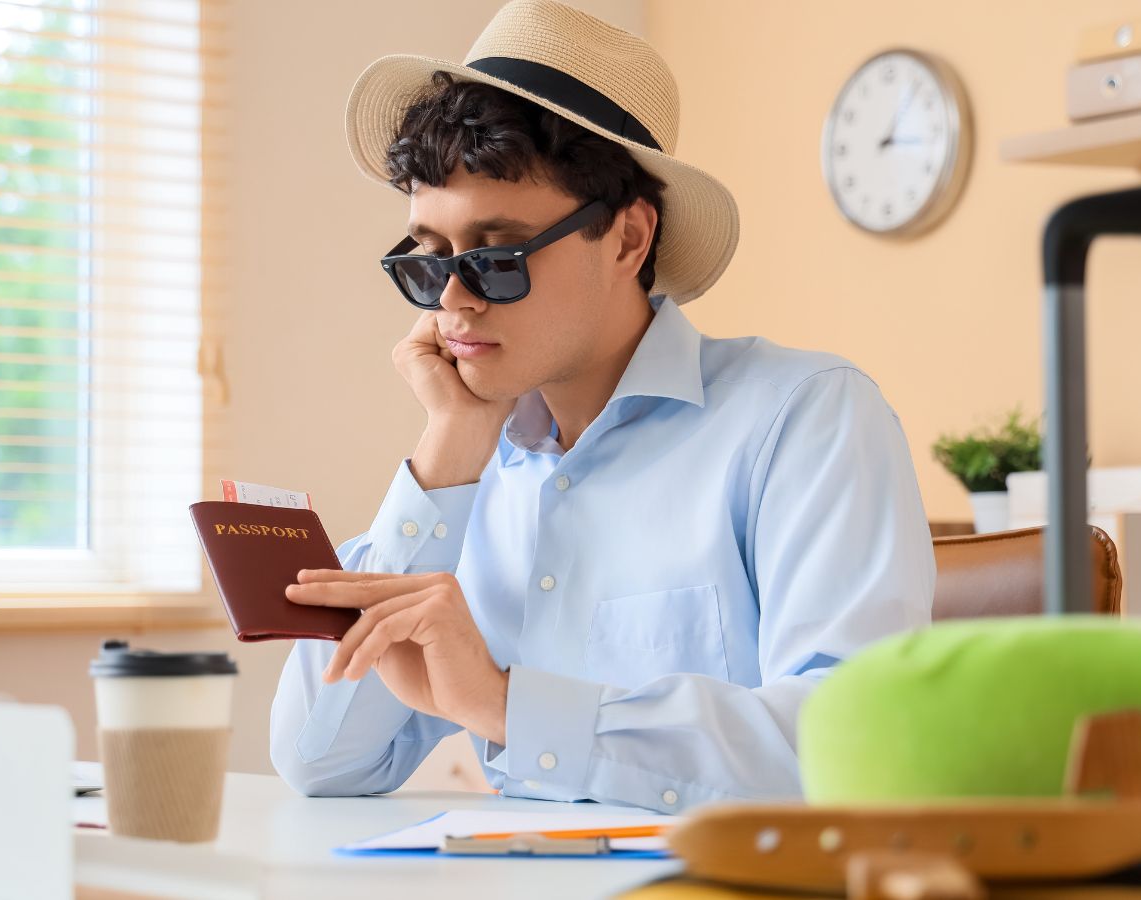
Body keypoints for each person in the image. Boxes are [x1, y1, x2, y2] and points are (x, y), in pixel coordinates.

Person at [270, 0, 933, 812]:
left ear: (627, 239)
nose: (452, 301)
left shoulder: (805, 420)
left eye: (494, 256)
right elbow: (317, 758)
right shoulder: (468, 476)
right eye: (428, 259)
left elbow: (852, 747)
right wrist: (448, 448)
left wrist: (505, 705)